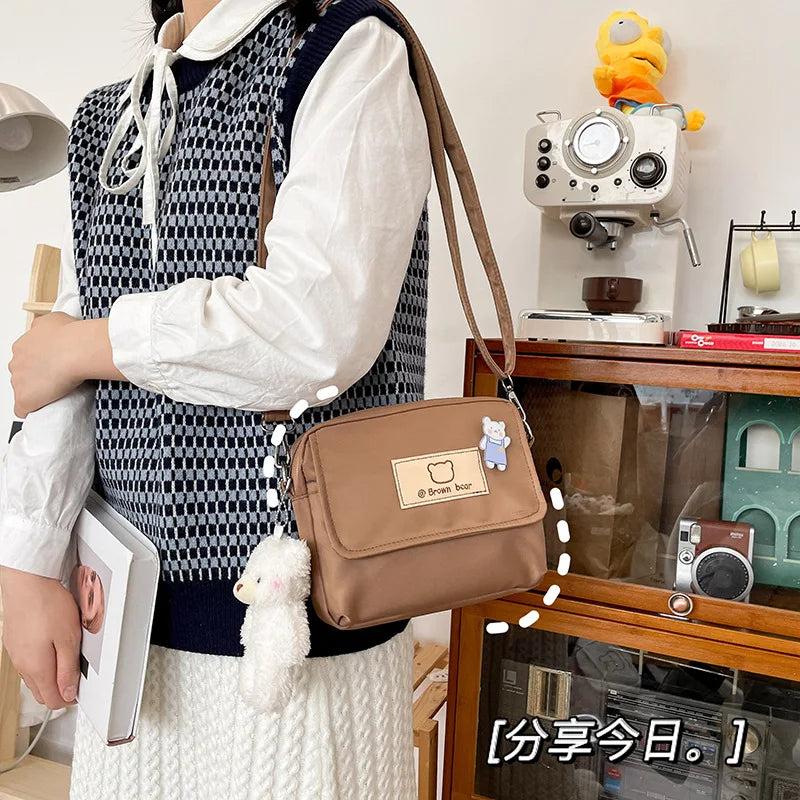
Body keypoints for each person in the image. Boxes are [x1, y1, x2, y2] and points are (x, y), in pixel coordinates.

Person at [0, 0, 431, 796]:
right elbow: (63, 366)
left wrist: (89, 344)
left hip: (295, 630)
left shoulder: (345, 49)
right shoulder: (110, 116)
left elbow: (316, 327)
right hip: (125, 624)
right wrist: (25, 563)